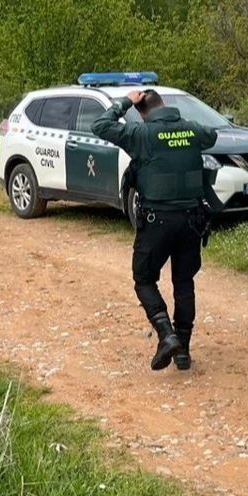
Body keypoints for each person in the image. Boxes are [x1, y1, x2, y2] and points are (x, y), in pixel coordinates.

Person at [92, 88, 218, 371]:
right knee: (184, 284)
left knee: (144, 279)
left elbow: (99, 125)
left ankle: (166, 334)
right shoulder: (192, 130)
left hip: (156, 222)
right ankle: (183, 351)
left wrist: (125, 102)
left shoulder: (141, 135)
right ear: (165, 106)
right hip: (190, 222)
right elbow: (213, 136)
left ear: (142, 111)